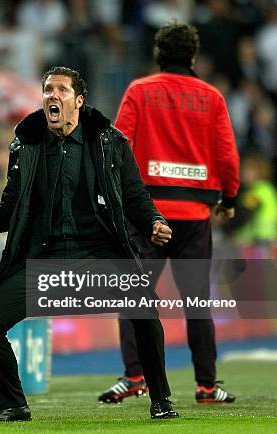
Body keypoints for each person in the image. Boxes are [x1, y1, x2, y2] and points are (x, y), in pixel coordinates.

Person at [0, 66, 178, 421]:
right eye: (47, 89)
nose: (52, 95)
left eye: (61, 90)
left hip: (99, 256)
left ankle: (161, 400)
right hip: (43, 260)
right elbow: (11, 206)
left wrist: (155, 221)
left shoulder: (109, 142)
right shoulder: (26, 145)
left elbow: (135, 195)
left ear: (78, 101)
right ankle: (14, 404)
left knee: (146, 311)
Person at [98, 21, 239, 405]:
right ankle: (207, 387)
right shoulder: (211, 97)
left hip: (146, 215)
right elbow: (226, 154)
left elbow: (117, 146)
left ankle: (135, 377)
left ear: (157, 55)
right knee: (197, 304)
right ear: (193, 56)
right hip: (193, 216)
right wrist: (228, 198)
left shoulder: (140, 91)